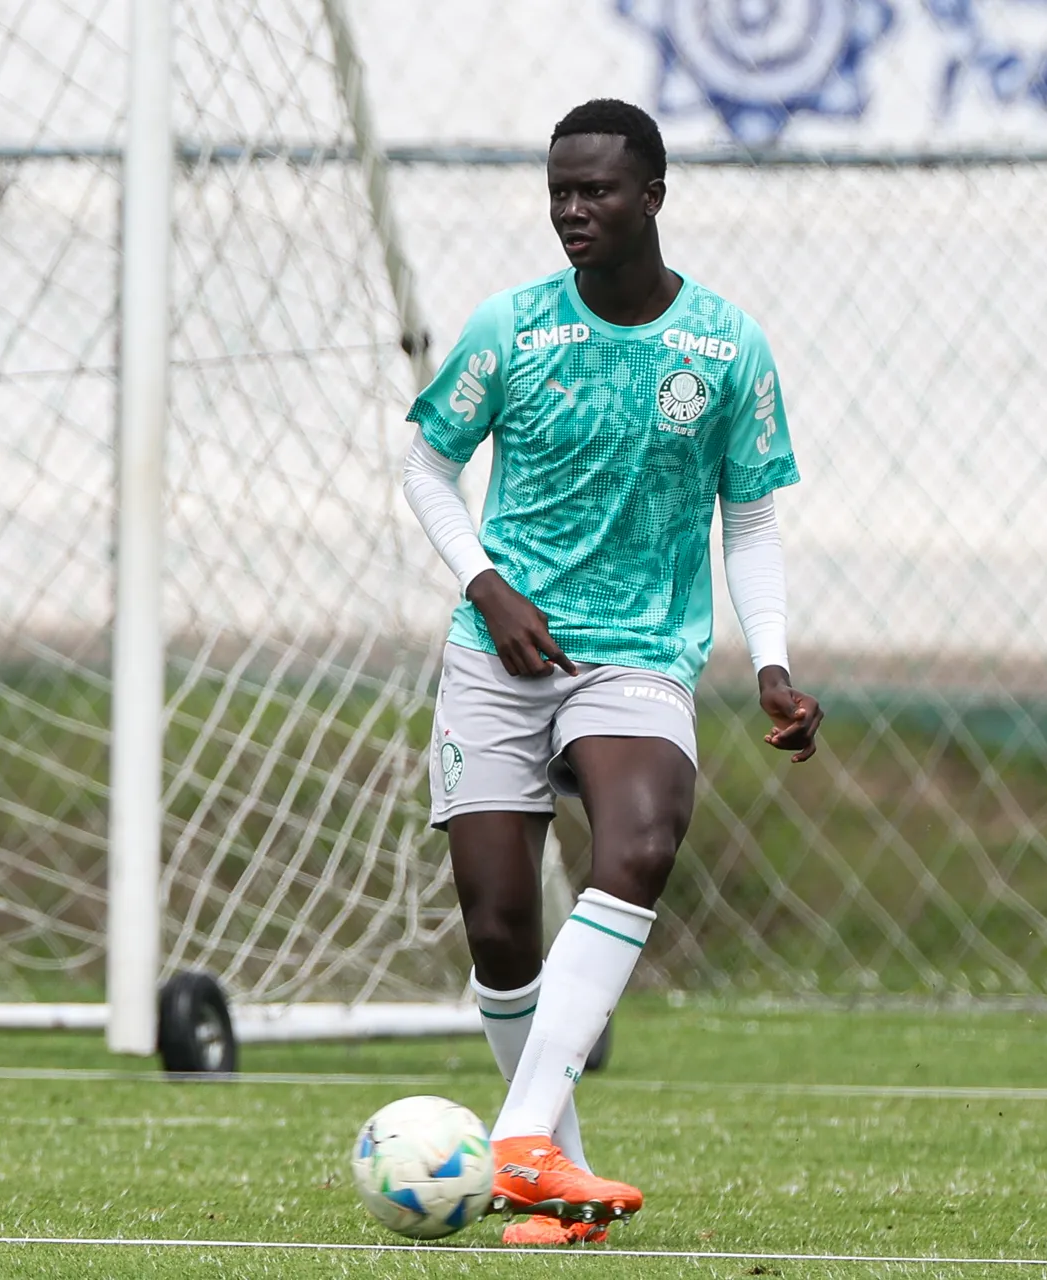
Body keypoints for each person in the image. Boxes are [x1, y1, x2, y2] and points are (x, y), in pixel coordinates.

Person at [403, 98, 823, 1246]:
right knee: (497, 924)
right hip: (497, 652)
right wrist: (487, 585)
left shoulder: (724, 346)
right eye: (557, 192)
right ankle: (558, 1181)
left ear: (651, 195)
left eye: (594, 191)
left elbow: (749, 519)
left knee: (636, 842)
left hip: (638, 653)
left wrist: (771, 659)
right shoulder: (509, 329)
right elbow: (429, 467)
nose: (571, 210)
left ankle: (518, 1135)